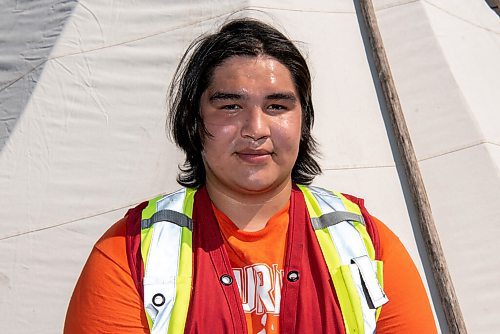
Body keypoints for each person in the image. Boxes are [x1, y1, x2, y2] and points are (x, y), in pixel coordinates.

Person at [64, 18, 437, 333]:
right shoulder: (128, 255)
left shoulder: (369, 246)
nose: (255, 128)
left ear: (302, 122)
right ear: (194, 123)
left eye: (277, 106)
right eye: (230, 106)